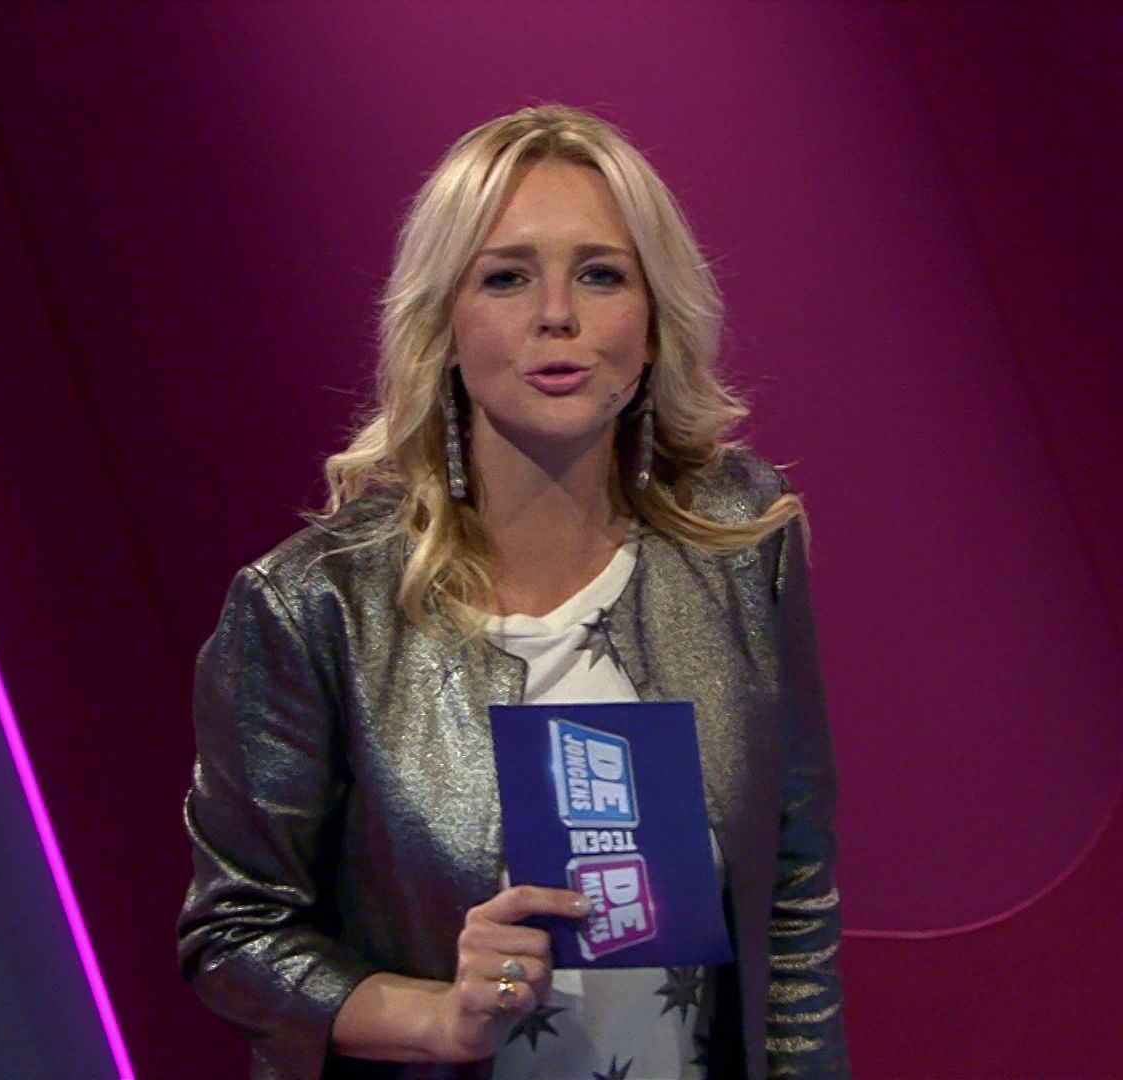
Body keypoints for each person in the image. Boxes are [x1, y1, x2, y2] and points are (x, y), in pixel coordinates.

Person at [176, 103, 847, 1080]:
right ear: (444, 323)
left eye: (601, 273)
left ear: (654, 319)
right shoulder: (313, 606)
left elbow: (793, 889)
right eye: (506, 277)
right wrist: (438, 1017)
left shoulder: (740, 542)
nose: (557, 315)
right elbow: (236, 932)